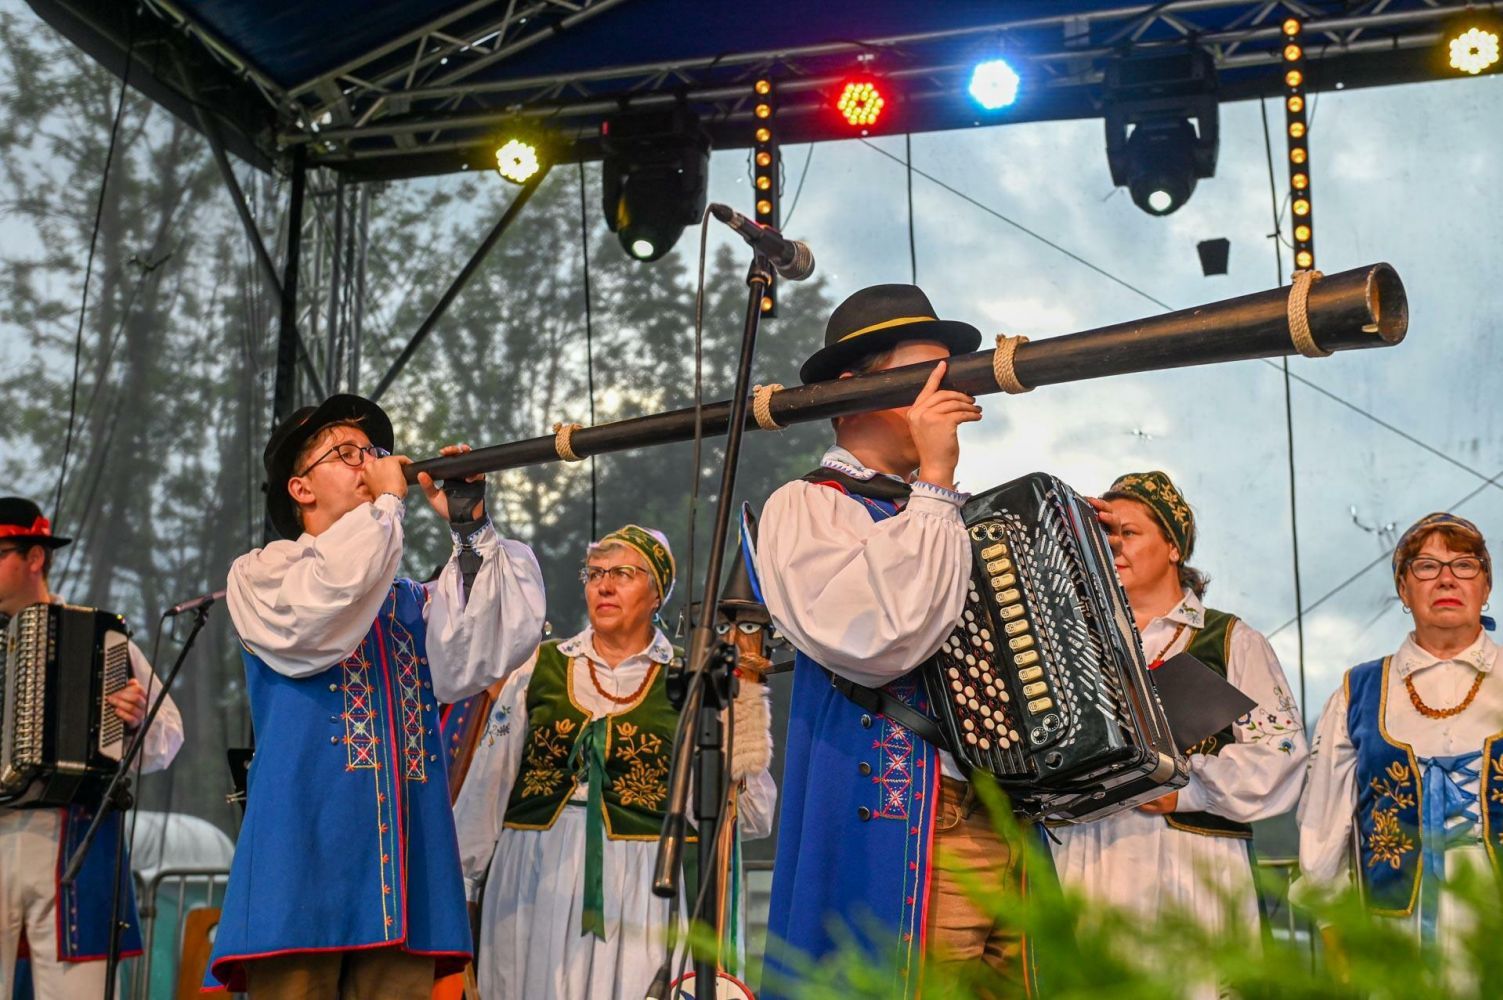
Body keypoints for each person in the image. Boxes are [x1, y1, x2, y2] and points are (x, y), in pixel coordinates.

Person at [751, 284, 1118, 996]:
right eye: (923, 376)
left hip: (1006, 814)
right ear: (853, 390)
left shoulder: (954, 516)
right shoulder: (808, 506)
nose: (944, 392)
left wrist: (1078, 568)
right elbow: (879, 639)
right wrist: (936, 479)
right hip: (910, 819)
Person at [203, 395, 546, 997]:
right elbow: (325, 605)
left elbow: (486, 646)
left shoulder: (412, 600)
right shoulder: (263, 575)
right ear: (301, 488)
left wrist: (468, 525)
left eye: (373, 452)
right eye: (346, 453)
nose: (368, 463)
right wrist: (388, 504)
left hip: (404, 865)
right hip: (303, 858)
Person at [454, 525, 776, 1000]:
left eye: (622, 573)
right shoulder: (539, 668)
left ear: (657, 593)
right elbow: (487, 785)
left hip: (643, 884)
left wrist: (743, 706)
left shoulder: (691, 677)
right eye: (595, 573)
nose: (603, 585)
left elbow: (752, 818)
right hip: (533, 878)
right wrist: (460, 889)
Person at [1048, 472, 1307, 992]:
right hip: (1090, 855)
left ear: (1173, 547)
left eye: (1129, 532)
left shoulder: (1229, 640)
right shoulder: (1073, 638)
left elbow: (1282, 755)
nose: (1113, 546)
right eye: (1103, 535)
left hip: (1193, 864)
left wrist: (1186, 788)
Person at [0, 497, 184, 1000]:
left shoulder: (98, 638)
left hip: (70, 836)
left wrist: (133, 720)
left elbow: (169, 735)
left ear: (34, 557)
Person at [1297, 512, 1503, 957]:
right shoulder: (1358, 692)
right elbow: (1322, 828)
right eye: (1426, 566)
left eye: (1465, 565)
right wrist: (1337, 938)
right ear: (1403, 589)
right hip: (1395, 937)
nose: (1446, 579)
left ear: (1486, 587)